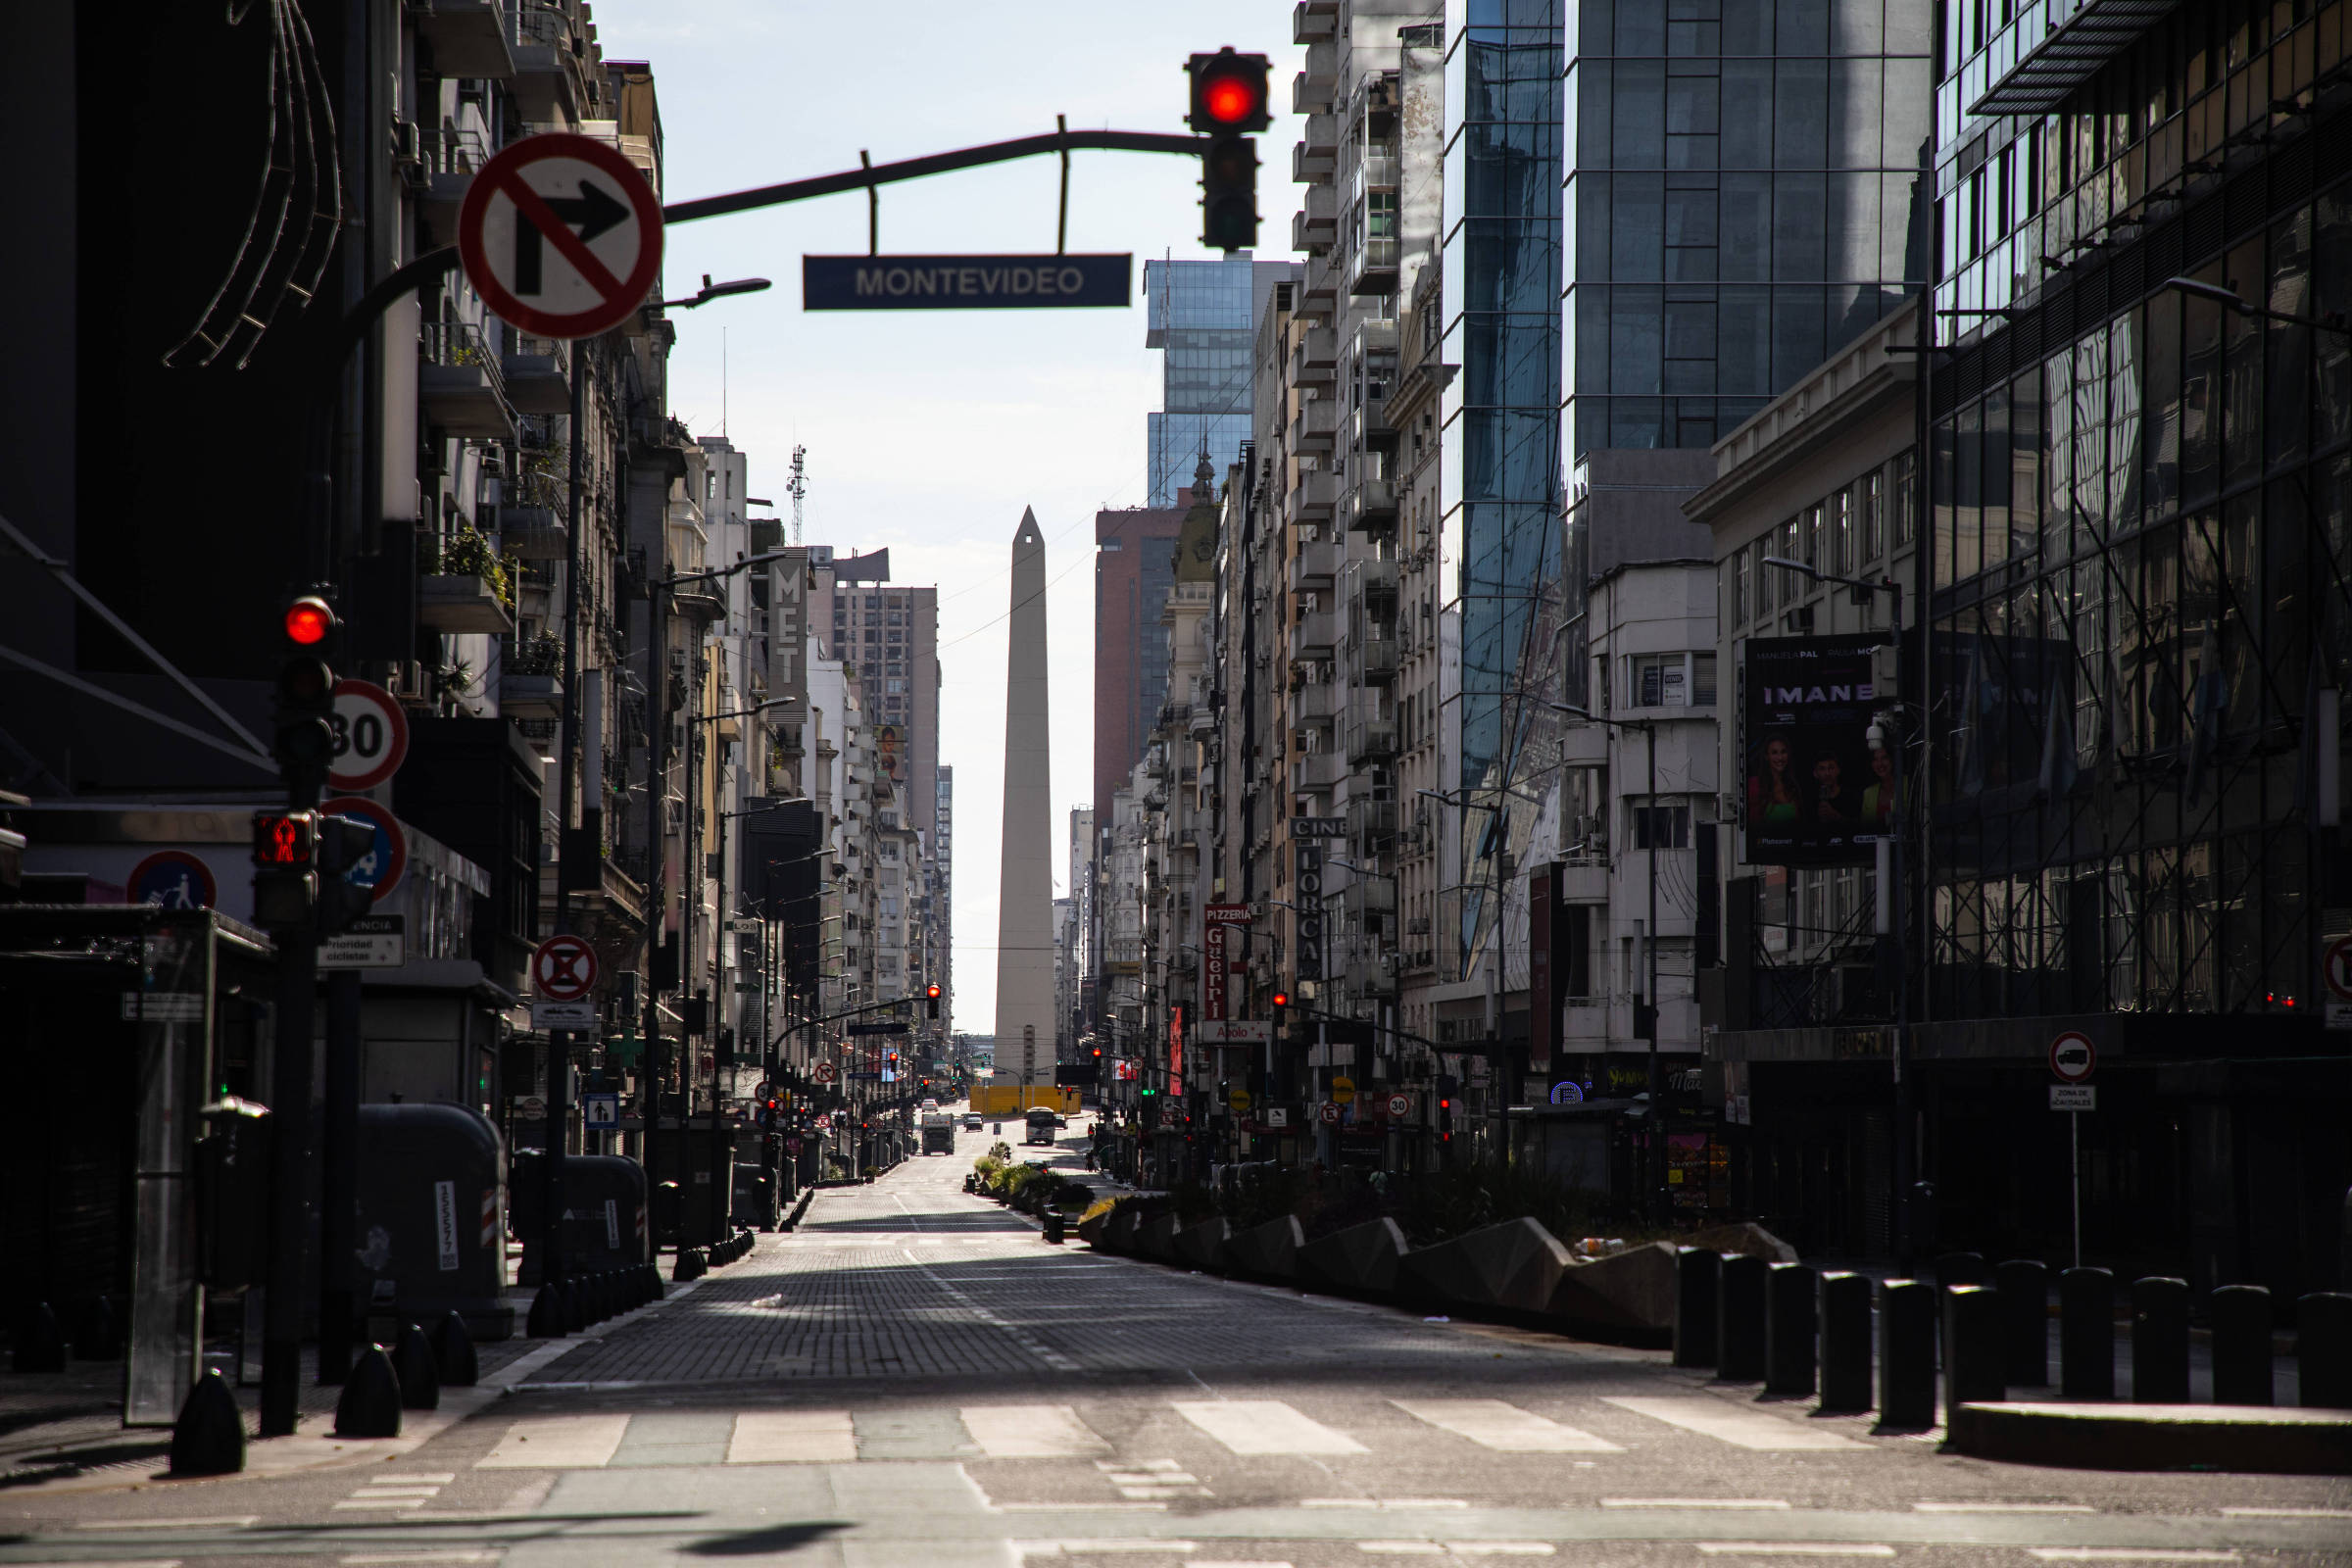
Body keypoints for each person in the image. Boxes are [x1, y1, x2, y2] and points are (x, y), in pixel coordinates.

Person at [1748, 734, 1802, 823]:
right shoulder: (1754, 785)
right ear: (1766, 756)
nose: (1780, 758)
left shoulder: (1793, 785)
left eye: (1783, 752)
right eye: (1774, 752)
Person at [1862, 745, 1899, 824]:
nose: (1880, 764)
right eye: (1875, 760)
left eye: (1884, 758)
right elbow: (1865, 826)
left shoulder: (1908, 783)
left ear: (1892, 760)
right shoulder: (1868, 793)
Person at [1812, 753, 1851, 821]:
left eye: (1831, 768)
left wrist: (1837, 817)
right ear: (1815, 773)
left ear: (1838, 770)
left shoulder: (1850, 796)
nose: (1827, 773)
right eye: (1822, 769)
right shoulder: (1809, 799)